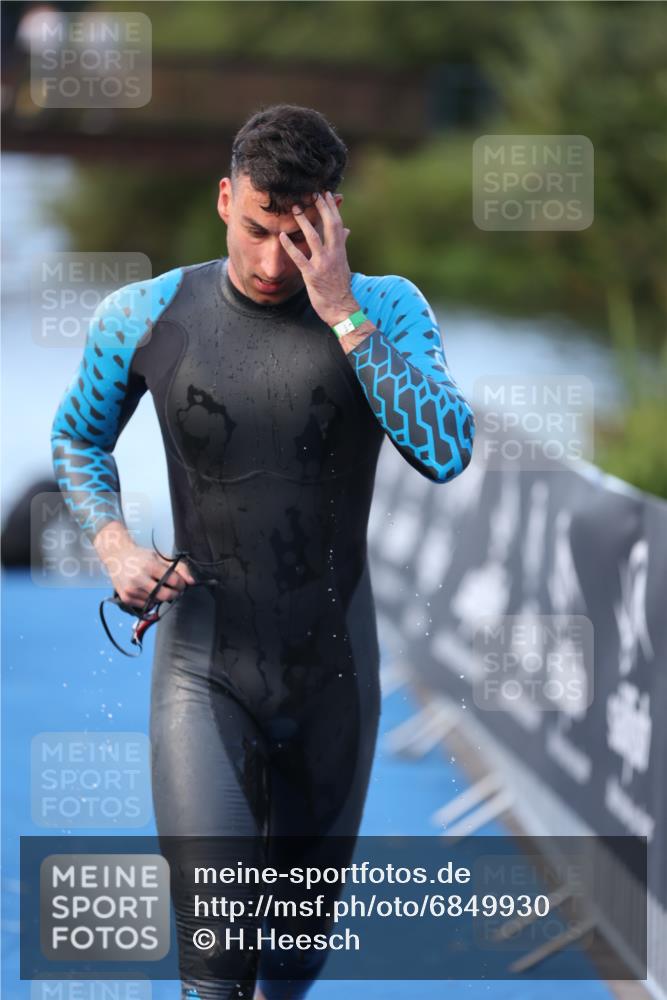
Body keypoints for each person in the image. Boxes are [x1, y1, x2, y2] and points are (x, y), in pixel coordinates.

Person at [50, 104, 475, 1000]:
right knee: (216, 957)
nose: (273, 261)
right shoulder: (146, 314)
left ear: (332, 219)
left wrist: (342, 313)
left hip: (334, 678)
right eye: (255, 230)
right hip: (205, 668)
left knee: (288, 965)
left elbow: (445, 451)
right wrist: (116, 541)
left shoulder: (386, 307)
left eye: (298, 236)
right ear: (221, 199)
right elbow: (77, 439)